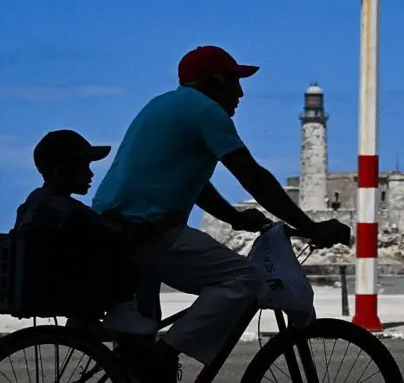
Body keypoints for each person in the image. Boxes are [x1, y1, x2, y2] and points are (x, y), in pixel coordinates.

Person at [91, 45, 351, 382]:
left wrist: (234, 218)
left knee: (138, 347)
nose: (240, 93)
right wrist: (311, 227)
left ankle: (148, 361)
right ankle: (165, 354)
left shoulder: (164, 105)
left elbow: (193, 183)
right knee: (244, 279)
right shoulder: (206, 111)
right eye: (235, 81)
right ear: (216, 79)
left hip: (115, 229)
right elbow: (252, 175)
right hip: (146, 231)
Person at [11, 130, 149, 328]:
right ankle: (126, 319)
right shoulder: (68, 211)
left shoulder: (34, 202)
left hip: (49, 285)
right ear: (60, 169)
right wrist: (157, 225)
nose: (90, 173)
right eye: (84, 166)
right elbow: (117, 237)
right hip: (74, 288)